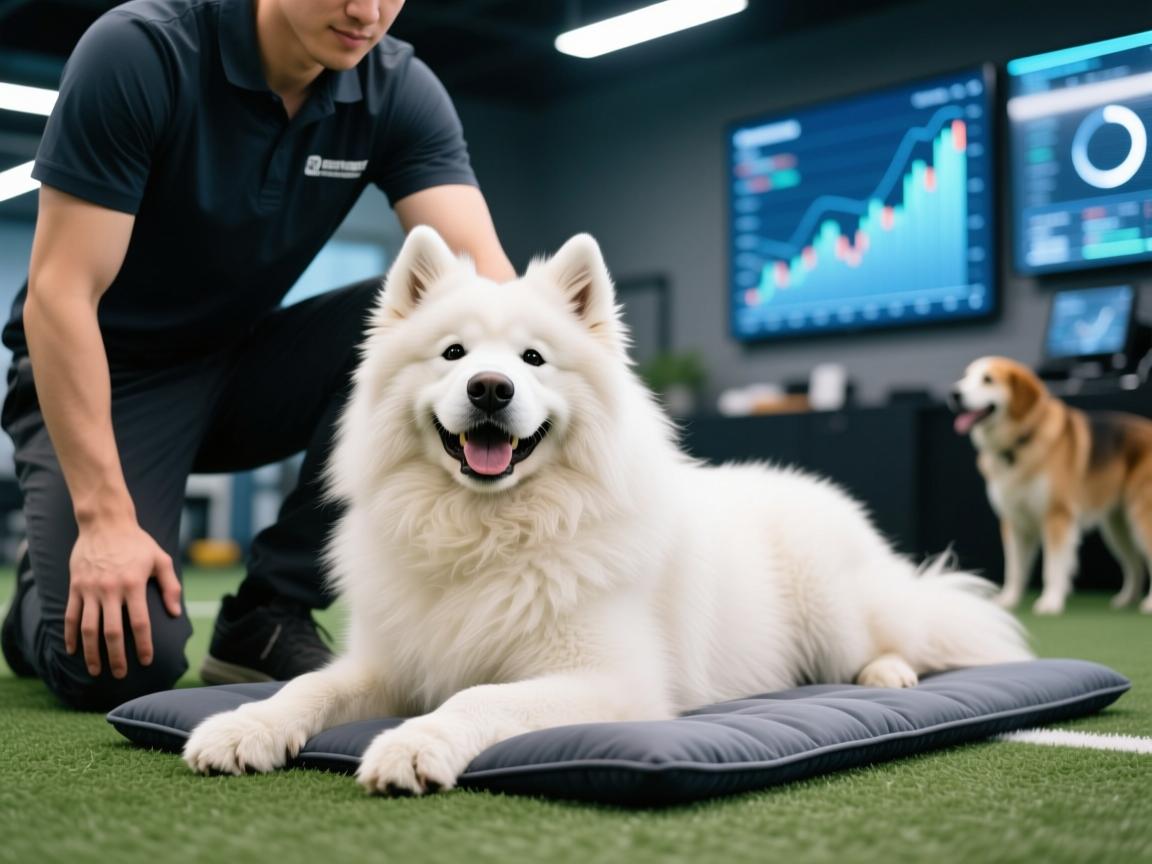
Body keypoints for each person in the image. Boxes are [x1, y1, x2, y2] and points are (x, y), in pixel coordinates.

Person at [0, 0, 516, 711]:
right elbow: (59, 299)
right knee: (120, 666)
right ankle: (37, 599)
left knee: (419, 326)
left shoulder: (398, 89)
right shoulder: (141, 52)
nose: (367, 12)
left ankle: (267, 613)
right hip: (104, 378)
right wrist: (104, 522)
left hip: (240, 371)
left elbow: (489, 288)